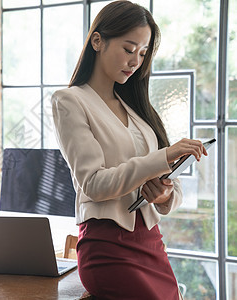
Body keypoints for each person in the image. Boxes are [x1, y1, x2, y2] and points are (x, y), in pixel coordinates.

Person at [51, 1, 208, 299]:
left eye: (143, 53)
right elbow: (94, 185)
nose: (135, 61)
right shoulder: (69, 100)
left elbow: (168, 191)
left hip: (151, 243)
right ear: (98, 41)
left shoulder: (135, 109)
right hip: (107, 248)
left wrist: (164, 196)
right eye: (128, 48)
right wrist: (163, 157)